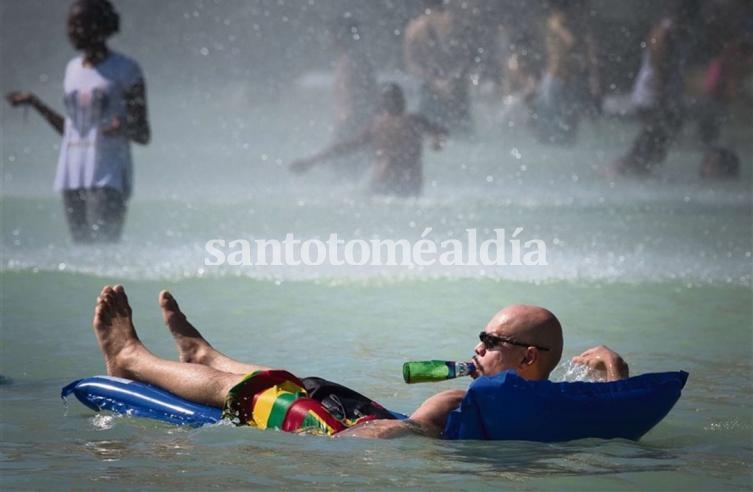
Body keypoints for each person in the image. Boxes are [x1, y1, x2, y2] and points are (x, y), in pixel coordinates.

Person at [91, 284, 629, 439]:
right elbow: (614, 412)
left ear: (530, 357)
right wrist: (614, 365)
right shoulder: (534, 397)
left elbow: (401, 440)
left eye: (490, 341)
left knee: (261, 390)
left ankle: (137, 356)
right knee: (295, 382)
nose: (477, 348)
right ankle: (180, 355)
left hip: (361, 428)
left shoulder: (463, 400)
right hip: (370, 417)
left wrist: (345, 442)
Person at [5, 0, 150, 243]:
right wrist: (36, 103)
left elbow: (144, 134)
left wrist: (124, 127)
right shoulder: (72, 70)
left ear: (99, 27)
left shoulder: (126, 70)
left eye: (78, 25)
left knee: (104, 250)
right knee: (82, 252)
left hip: (108, 176)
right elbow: (73, 131)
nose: (71, 31)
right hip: (73, 174)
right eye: (70, 25)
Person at [290, 83, 447, 198]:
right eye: (394, 98)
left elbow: (346, 147)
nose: (397, 102)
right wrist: (311, 161)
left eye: (396, 98)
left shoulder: (393, 123)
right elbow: (442, 133)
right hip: (404, 186)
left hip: (384, 184)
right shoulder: (398, 122)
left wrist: (310, 162)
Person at [612, 5, 697, 175]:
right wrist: (661, 91)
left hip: (662, 92)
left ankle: (638, 166)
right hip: (653, 92)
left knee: (660, 132)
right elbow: (657, 61)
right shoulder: (664, 32)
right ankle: (627, 166)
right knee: (655, 131)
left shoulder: (676, 31)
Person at [531, 0, 600, 145]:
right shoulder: (557, 22)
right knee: (555, 111)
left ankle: (557, 140)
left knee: (558, 111)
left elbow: (570, 42)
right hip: (557, 74)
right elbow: (571, 42)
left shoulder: (558, 22)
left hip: (561, 75)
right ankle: (557, 140)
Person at [403, 0, 474, 135]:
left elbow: (411, 66)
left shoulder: (413, 29)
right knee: (465, 137)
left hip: (434, 89)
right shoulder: (456, 22)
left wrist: (434, 82)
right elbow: (468, 59)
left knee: (431, 137)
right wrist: (451, 80)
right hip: (453, 88)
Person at [328, 16, 379, 180]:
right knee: (347, 174)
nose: (330, 38)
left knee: (347, 174)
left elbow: (367, 95)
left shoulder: (354, 60)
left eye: (333, 34)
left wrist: (347, 124)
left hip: (353, 124)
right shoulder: (350, 59)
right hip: (352, 123)